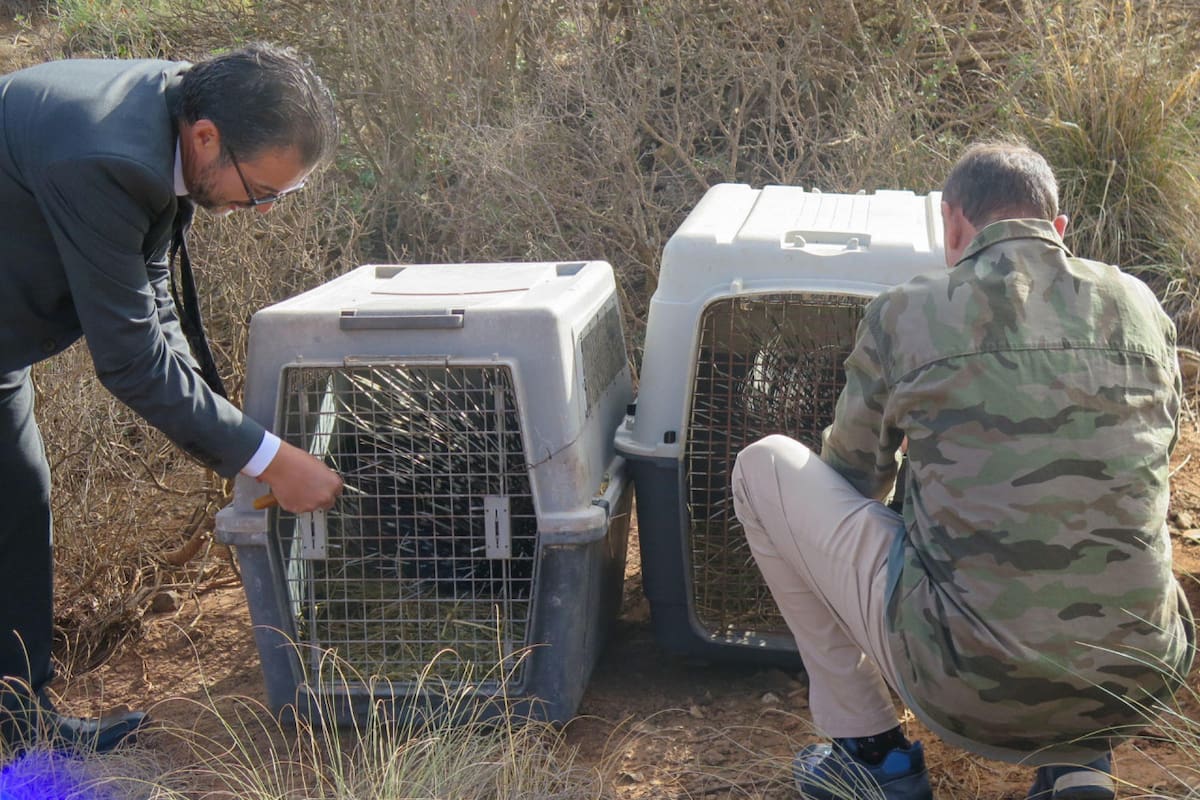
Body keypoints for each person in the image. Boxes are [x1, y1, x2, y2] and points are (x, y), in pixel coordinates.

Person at [731, 142, 1195, 800]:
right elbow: (1142, 467)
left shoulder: (907, 311)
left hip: (967, 685)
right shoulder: (1141, 306)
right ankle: (1080, 764)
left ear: (951, 224)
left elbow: (853, 480)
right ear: (1058, 230)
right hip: (1135, 679)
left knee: (763, 467)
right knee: (1091, 508)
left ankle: (872, 755)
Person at [0, 44, 345, 754]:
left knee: (16, 503)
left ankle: (14, 717)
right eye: (261, 191)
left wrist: (238, 443)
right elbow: (131, 361)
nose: (261, 211)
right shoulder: (104, 156)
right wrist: (270, 459)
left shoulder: (173, 120)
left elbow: (153, 301)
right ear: (208, 137)